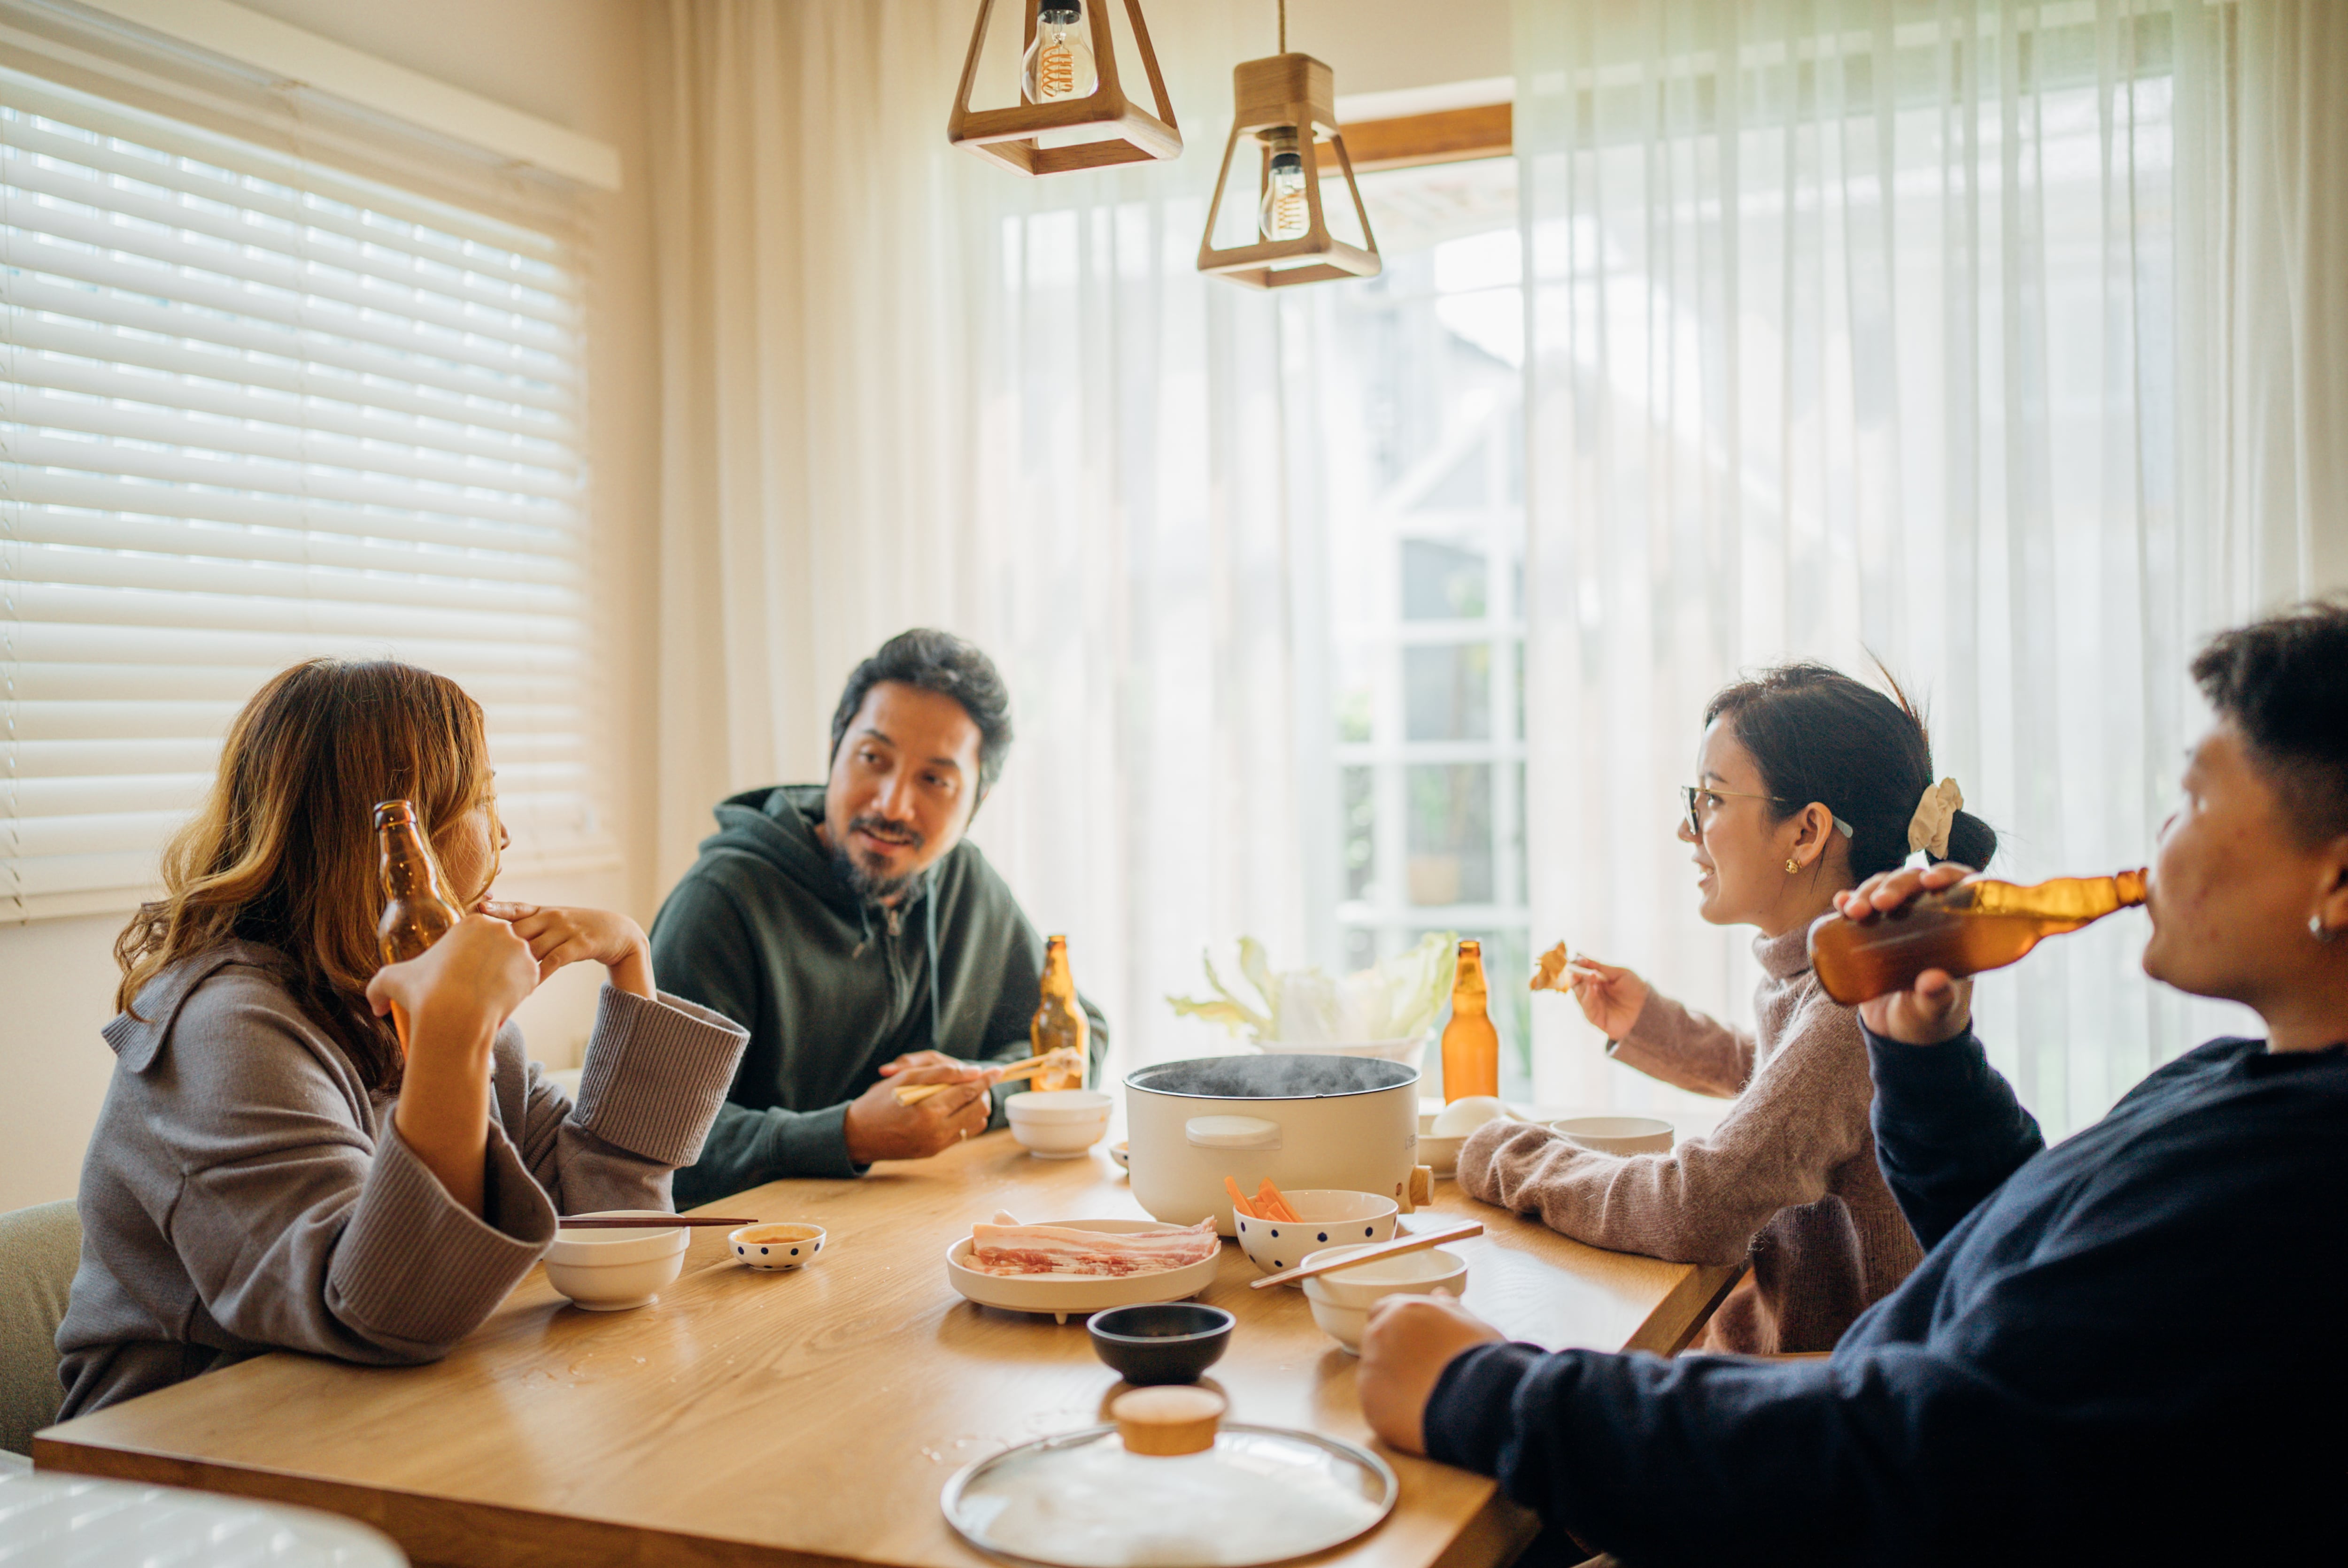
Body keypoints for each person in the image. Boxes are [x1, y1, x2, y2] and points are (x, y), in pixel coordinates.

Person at [1354, 601, 2348, 1564]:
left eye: (2195, 798)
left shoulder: (2287, 1183)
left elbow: (1918, 1449)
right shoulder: (2236, 1083)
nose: (2157, 840)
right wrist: (1925, 1060)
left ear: (2336, 884)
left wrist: (1484, 1389)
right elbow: (2015, 1242)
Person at [57, 661, 749, 1419]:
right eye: (483, 799)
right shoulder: (224, 1031)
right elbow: (388, 1313)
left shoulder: (412, 1001)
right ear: (395, 836)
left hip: (372, 1425)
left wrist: (630, 963)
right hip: (181, 1469)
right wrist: (455, 1036)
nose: (506, 832)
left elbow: (611, 1223)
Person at [1463, 665, 1987, 1351]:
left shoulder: (1852, 1000)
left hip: (1825, 1395)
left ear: (1806, 834)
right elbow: (1793, 1090)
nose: (1689, 831)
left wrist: (1512, 1153)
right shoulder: (1838, 972)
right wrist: (1653, 1026)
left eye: (1710, 799)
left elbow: (1697, 1206)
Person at [651, 630, 1106, 1205]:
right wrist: (846, 1135)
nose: (892, 804)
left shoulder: (965, 881)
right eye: (874, 759)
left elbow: (1078, 1035)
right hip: (745, 1261)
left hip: (911, 1237)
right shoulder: (722, 903)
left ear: (977, 803)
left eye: (934, 780)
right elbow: (643, 1140)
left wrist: (973, 1093)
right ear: (835, 751)